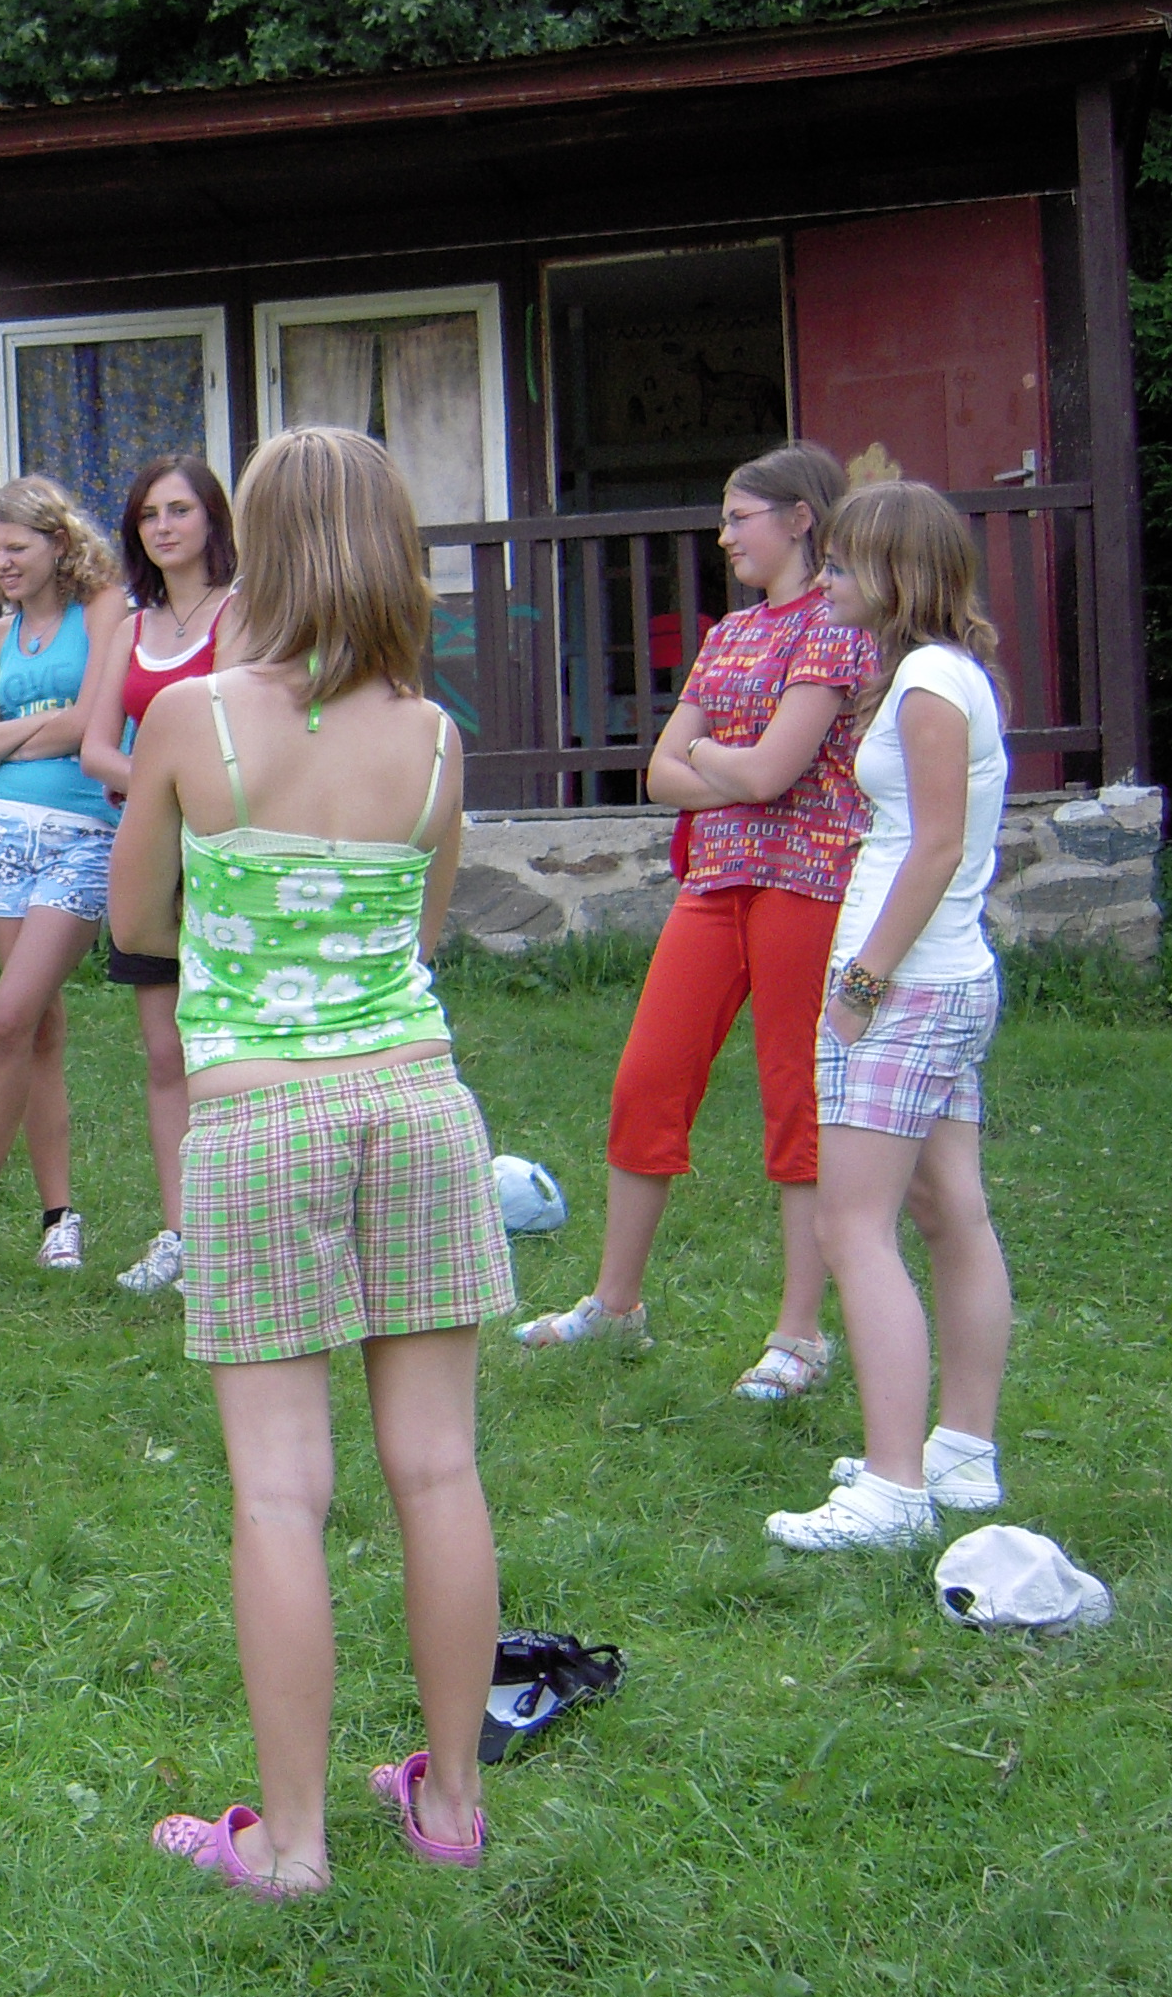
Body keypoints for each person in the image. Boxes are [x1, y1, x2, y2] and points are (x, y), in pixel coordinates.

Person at [116, 428, 514, 1897]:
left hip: (258, 1120)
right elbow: (422, 930)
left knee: (282, 1491)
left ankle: (290, 1847)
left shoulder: (196, 719)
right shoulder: (435, 740)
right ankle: (452, 1808)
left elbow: (136, 921)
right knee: (440, 1465)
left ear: (262, 550)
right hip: (418, 1102)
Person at [513, 444, 882, 1399]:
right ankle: (616, 1307)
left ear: (800, 518)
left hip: (808, 883)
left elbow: (770, 772)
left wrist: (719, 759)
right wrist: (739, 767)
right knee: (648, 1079)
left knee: (795, 1097)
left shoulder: (837, 625)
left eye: (738, 517)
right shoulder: (730, 636)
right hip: (716, 882)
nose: (724, 537)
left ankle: (801, 1336)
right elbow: (663, 774)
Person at [764, 481, 1017, 1551]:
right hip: (942, 980)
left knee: (850, 1226)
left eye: (842, 562)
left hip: (906, 991)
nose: (825, 578)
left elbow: (937, 847)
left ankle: (894, 1487)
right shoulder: (945, 672)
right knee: (950, 1208)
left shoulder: (924, 680)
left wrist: (861, 983)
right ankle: (960, 1452)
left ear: (895, 571)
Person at [0, 474, 123, 1273]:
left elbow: (95, 725)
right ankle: (59, 1218)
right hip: (6, 832)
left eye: (18, 547)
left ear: (59, 543)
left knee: (9, 1019)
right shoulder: (1, 635)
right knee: (38, 1028)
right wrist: (41, 730)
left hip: (85, 834)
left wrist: (4, 733)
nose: (3, 562)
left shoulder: (103, 610)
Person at [76, 455, 241, 1298]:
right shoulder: (129, 626)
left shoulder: (241, 614)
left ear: (213, 519)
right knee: (164, 1050)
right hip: (148, 853)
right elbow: (94, 747)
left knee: (231, 1044)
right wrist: (158, 787)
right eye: (148, 514)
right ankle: (181, 1232)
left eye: (180, 510)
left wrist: (152, 781)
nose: (164, 527)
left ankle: (236, 1222)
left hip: (224, 853)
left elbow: (243, 732)